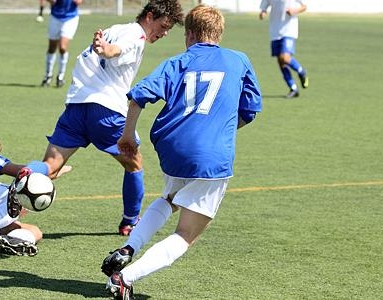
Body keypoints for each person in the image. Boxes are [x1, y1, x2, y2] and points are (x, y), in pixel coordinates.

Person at [99, 5, 262, 299]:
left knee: (169, 199)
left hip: (172, 147)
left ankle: (129, 247)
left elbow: (137, 97)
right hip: (211, 158)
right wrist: (218, 130)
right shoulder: (239, 60)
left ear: (188, 35)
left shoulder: (178, 62)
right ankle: (125, 277)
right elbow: (250, 110)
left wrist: (127, 136)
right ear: (219, 34)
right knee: (186, 233)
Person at [36, 0, 184, 236]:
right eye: (163, 26)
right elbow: (117, 50)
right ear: (150, 16)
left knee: (50, 168)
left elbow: (107, 50)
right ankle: (130, 221)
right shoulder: (136, 35)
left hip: (75, 106)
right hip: (105, 110)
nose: (164, 33)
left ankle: (20, 181)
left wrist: (104, 47)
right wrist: (107, 50)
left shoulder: (113, 29)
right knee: (134, 163)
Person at [259, 0, 309, 98]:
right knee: (281, 63)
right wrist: (263, 12)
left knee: (285, 58)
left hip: (289, 30)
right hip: (275, 32)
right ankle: (293, 88)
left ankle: (301, 71)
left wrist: (295, 10)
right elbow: (264, 7)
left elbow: (304, 6)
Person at [40, 0, 83, 88]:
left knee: (62, 47)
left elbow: (78, 2)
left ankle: (60, 76)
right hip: (55, 17)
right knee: (52, 48)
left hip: (70, 18)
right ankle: (48, 75)